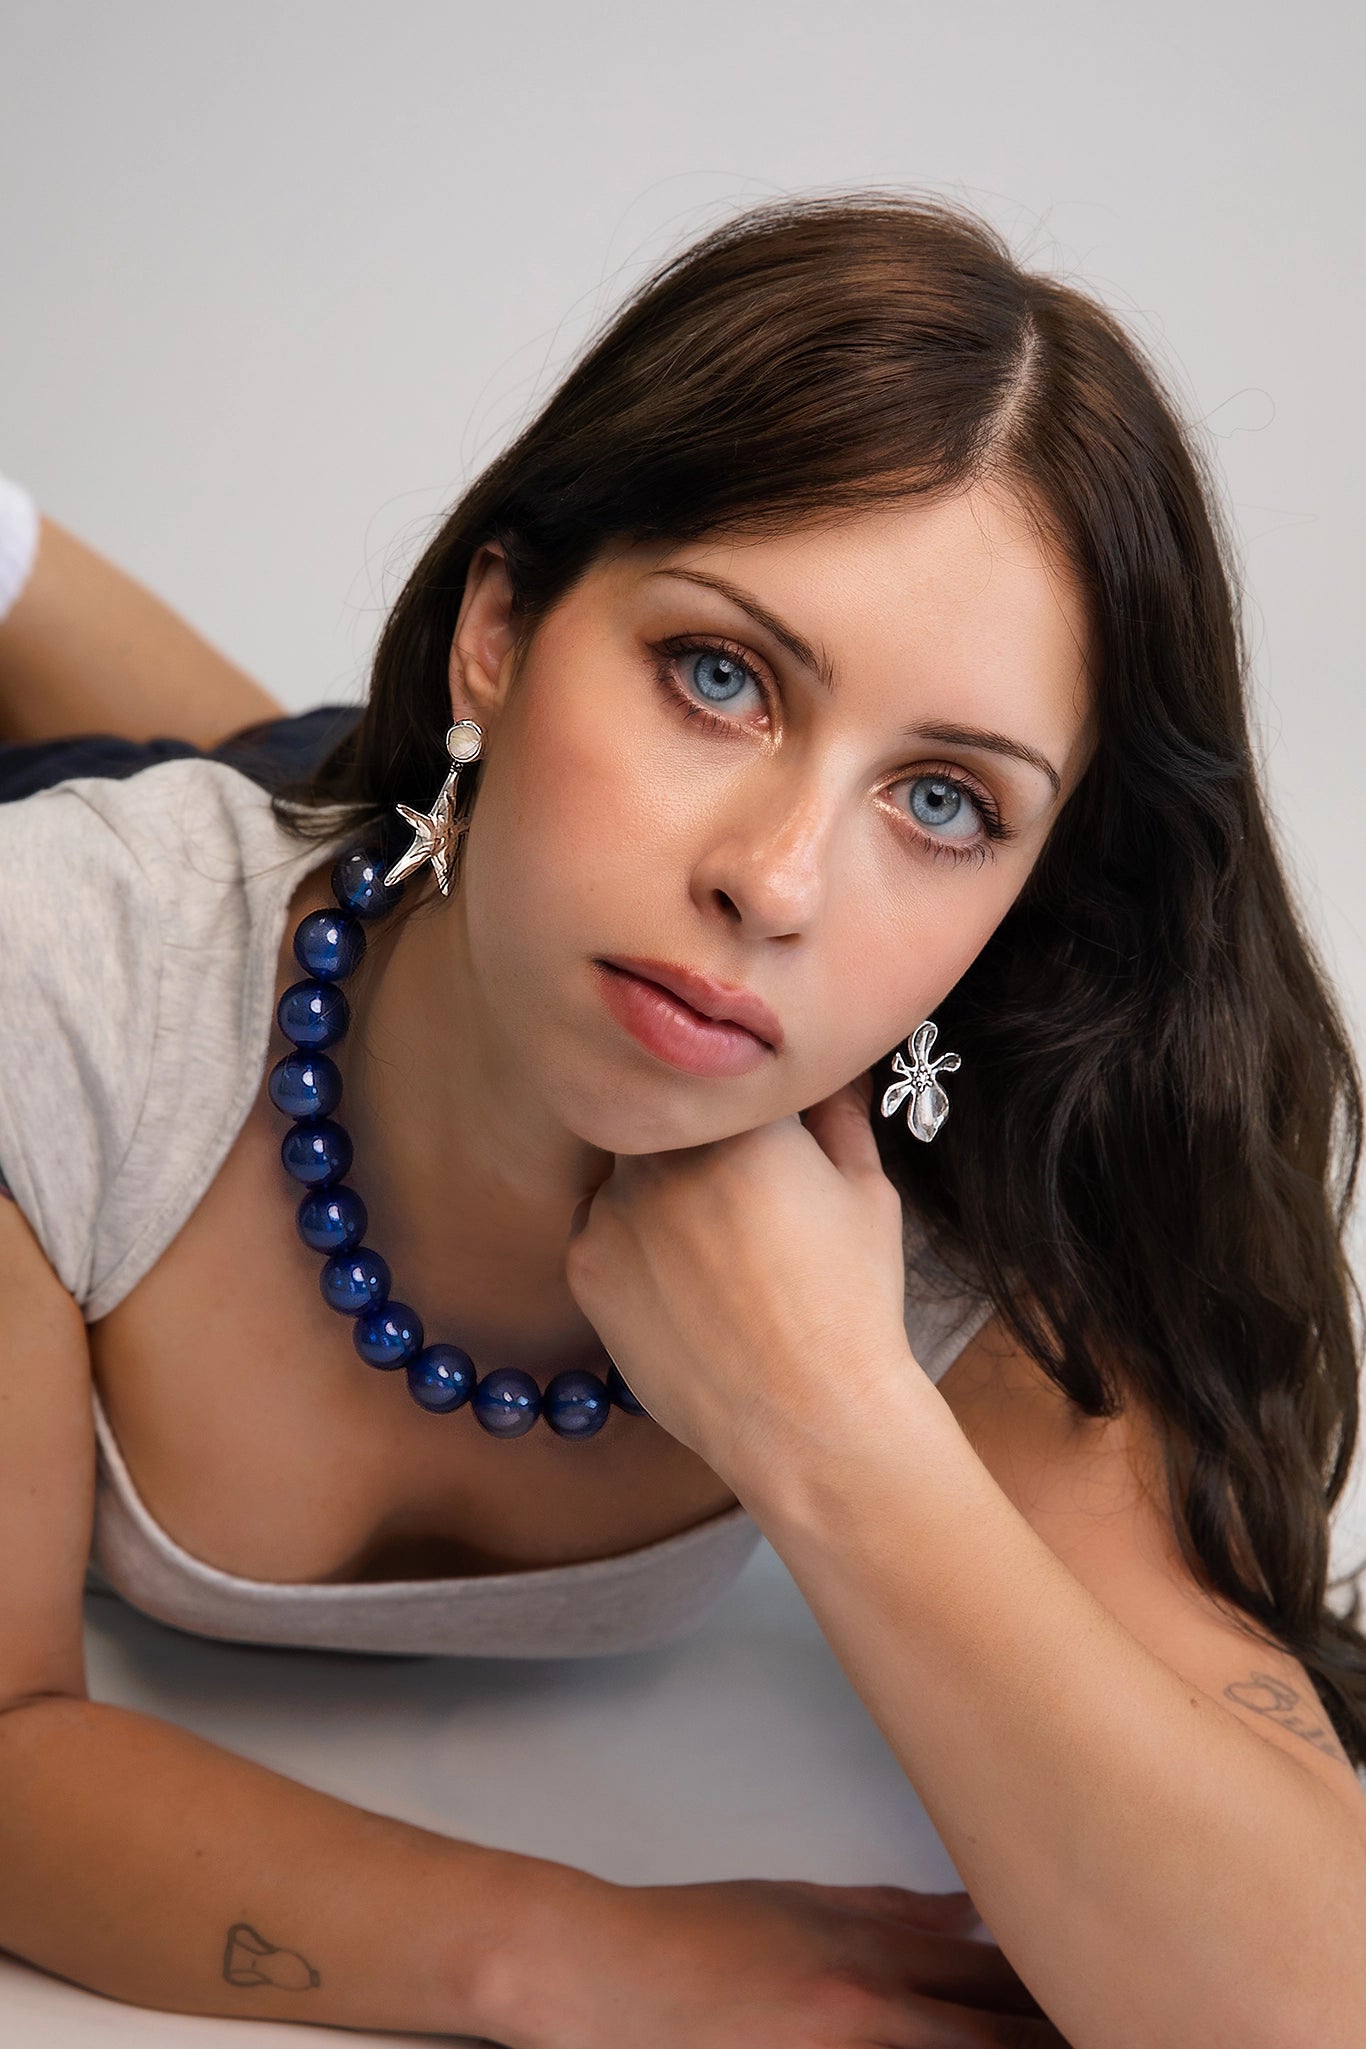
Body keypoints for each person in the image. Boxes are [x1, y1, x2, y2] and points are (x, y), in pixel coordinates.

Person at [0, 192, 1363, 2048]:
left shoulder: (988, 1216)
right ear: (499, 622)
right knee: (283, 813)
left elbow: (1303, 2002)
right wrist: (564, 1949)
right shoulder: (69, 976)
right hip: (309, 879)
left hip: (478, 885)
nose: (779, 882)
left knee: (351, 793)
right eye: (718, 674)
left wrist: (835, 1423)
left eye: (945, 801)